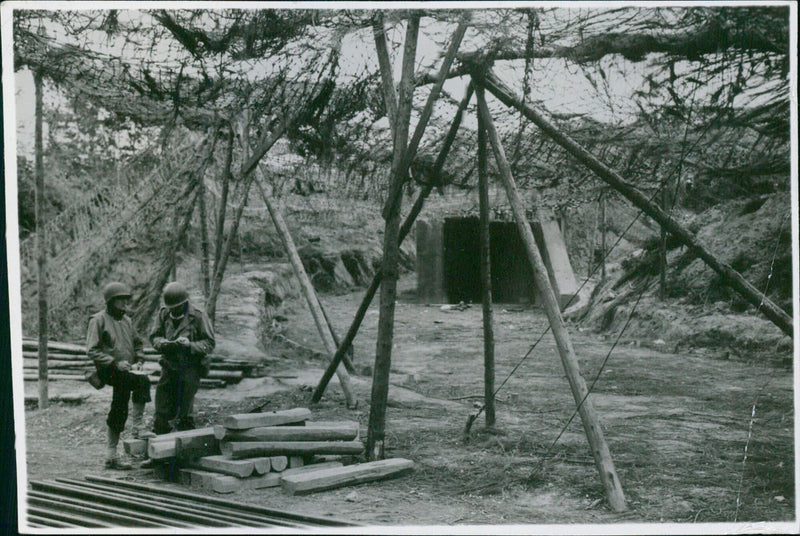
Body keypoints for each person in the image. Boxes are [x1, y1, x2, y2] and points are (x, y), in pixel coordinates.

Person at [87, 282, 155, 471]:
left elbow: (138, 342)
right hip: (108, 369)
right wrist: (115, 363)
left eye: (127, 300)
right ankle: (135, 429)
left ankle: (112, 455)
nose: (125, 303)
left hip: (127, 370)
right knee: (139, 384)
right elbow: (92, 350)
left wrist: (139, 359)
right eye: (121, 300)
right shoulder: (98, 320)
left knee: (121, 403)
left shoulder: (127, 321)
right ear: (111, 302)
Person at [149, 281, 215, 435]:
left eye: (176, 307)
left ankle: (186, 455)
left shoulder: (198, 316)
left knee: (185, 415)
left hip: (190, 368)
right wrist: (162, 343)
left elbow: (209, 343)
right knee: (161, 413)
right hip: (168, 367)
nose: (173, 310)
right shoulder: (163, 313)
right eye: (171, 308)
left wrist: (190, 345)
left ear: (184, 303)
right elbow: (154, 336)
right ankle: (159, 454)